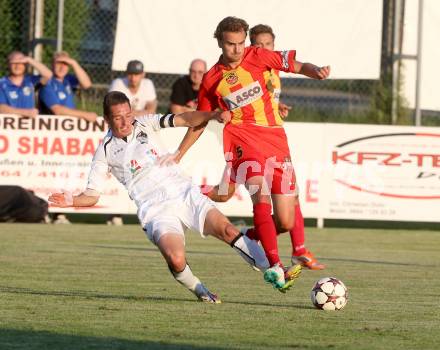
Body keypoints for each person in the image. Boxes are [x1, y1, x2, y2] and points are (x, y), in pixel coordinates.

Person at [48, 91, 271, 303]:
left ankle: (274, 270)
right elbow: (92, 195)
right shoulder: (105, 151)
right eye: (118, 118)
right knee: (175, 259)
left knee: (228, 231)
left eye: (128, 115)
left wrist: (213, 115)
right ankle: (200, 290)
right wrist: (72, 201)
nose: (126, 122)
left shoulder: (145, 122)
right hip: (155, 210)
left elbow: (184, 119)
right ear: (107, 119)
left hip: (183, 193)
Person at [175, 17, 330, 289]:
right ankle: (275, 267)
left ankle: (241, 228)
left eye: (240, 43)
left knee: (285, 219)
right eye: (230, 44)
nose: (236, 49)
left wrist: (314, 70)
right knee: (260, 191)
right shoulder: (212, 78)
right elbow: (199, 120)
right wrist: (178, 154)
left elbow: (294, 65)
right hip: (242, 140)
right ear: (220, 42)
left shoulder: (258, 56)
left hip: (275, 138)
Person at [38, 51, 97, 122]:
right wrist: (85, 115)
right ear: (52, 65)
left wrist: (74, 63)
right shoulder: (47, 82)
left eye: (65, 64)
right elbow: (57, 110)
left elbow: (87, 84)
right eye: (59, 63)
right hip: (52, 126)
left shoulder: (68, 80)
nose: (62, 67)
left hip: (68, 124)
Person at [0, 51, 52, 118]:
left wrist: (29, 59)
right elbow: (1, 108)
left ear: (25, 64)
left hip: (29, 126)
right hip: (8, 126)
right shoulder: (2, 84)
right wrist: (25, 112)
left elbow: (49, 75)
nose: (17, 66)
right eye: (14, 63)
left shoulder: (30, 81)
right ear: (8, 65)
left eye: (21, 63)